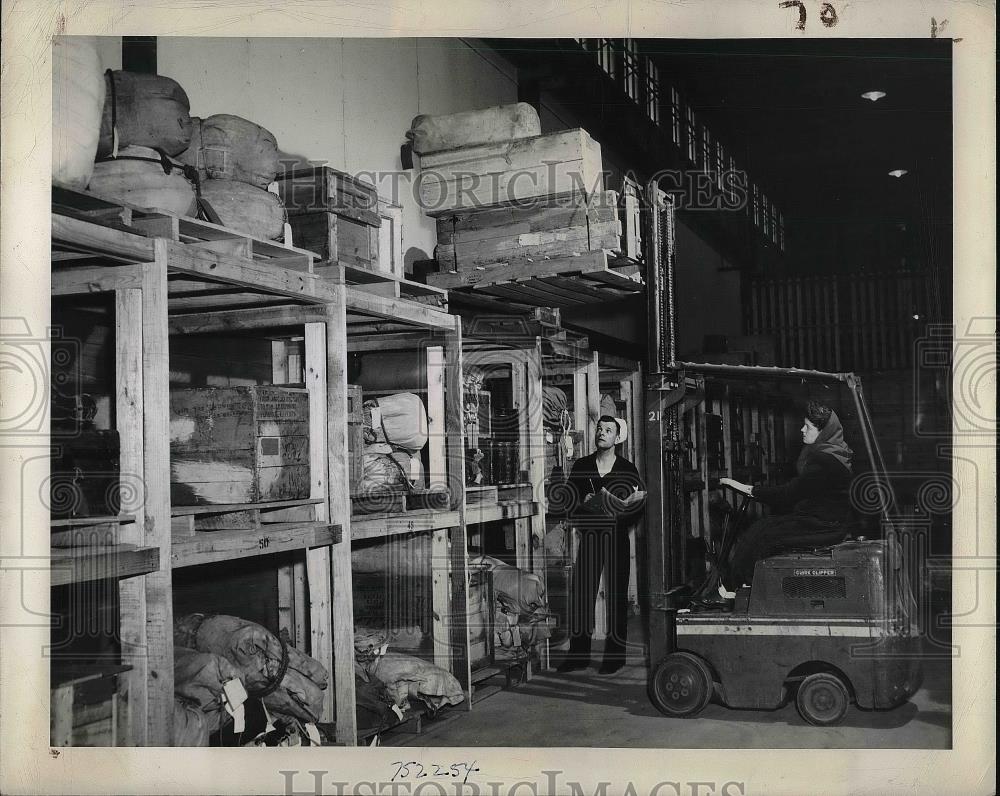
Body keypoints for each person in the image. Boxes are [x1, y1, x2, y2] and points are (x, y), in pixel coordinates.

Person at [719, 400, 855, 590]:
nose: (802, 429)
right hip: (825, 520)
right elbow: (800, 491)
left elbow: (788, 493)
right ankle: (742, 586)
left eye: (807, 427)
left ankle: (740, 589)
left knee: (762, 536)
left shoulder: (823, 461)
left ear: (823, 432)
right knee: (762, 527)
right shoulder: (835, 453)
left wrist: (751, 490)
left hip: (822, 525)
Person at [557, 416, 646, 674]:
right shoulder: (583, 465)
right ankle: (578, 656)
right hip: (591, 537)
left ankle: (615, 657)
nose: (601, 433)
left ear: (618, 438)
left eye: (608, 430)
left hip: (617, 537)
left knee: (617, 597)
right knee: (582, 596)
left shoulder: (628, 469)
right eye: (599, 429)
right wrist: (582, 501)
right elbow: (568, 501)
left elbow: (638, 505)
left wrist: (622, 512)